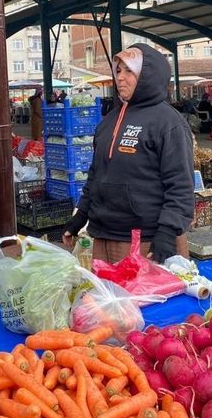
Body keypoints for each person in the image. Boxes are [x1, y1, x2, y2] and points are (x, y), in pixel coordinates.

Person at [61, 43, 194, 264]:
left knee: (147, 299)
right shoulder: (110, 120)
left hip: (147, 239)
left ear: (148, 74)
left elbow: (180, 184)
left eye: (129, 71)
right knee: (110, 297)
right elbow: (96, 175)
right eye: (119, 70)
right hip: (104, 234)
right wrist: (80, 217)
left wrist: (168, 233)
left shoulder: (168, 122)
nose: (120, 78)